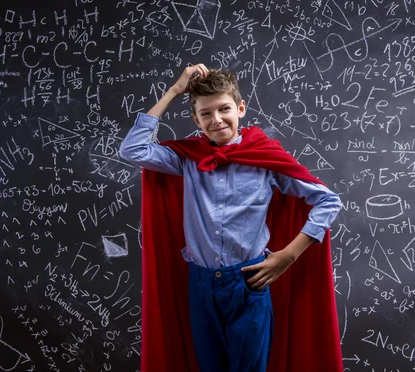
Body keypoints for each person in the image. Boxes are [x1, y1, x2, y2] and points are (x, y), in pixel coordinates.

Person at [119, 64, 343, 372]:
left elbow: (328, 201)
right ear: (195, 119)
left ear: (240, 109)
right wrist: (174, 91)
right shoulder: (186, 159)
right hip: (201, 284)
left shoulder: (265, 158)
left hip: (248, 282)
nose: (217, 119)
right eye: (206, 114)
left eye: (224, 109)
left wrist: (288, 255)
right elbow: (132, 150)